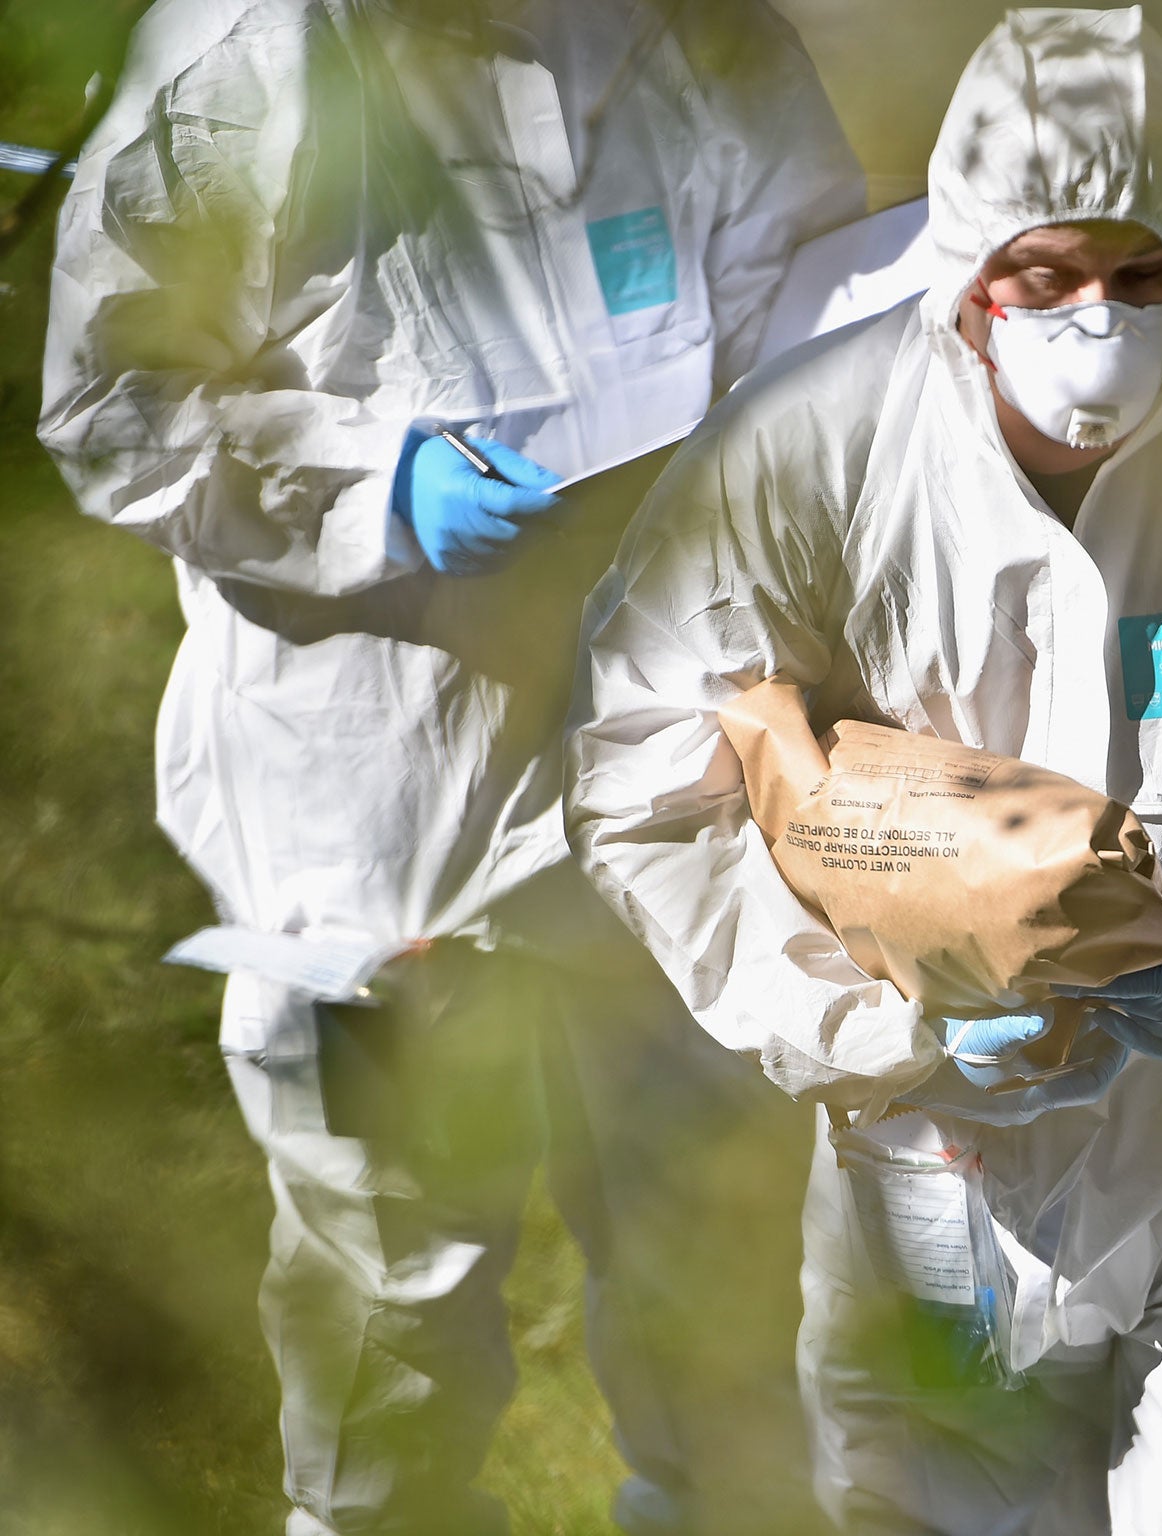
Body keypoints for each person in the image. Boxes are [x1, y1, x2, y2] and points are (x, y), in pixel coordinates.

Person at [567, 7, 1162, 1532]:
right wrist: (870, 1024)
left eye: (1142, 276)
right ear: (970, 271)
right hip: (933, 1167)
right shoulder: (813, 444)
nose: (1097, 321)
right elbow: (645, 772)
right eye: (1047, 276)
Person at [38, 1, 864, 1532]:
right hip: (382, 795)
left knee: (719, 1259)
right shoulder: (242, 54)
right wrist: (371, 483)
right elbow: (112, 398)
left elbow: (811, 305)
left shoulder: (693, 27)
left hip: (673, 763)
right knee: (388, 1283)